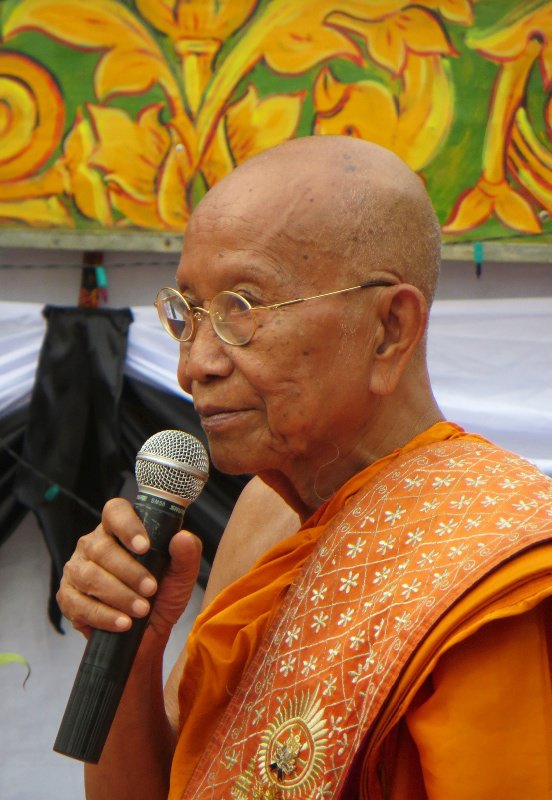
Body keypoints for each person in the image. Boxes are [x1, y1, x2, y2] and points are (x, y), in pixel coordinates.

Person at [57, 135, 552, 800]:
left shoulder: (488, 566)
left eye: (242, 309)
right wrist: (134, 650)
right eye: (187, 314)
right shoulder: (261, 515)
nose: (193, 365)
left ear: (389, 330)